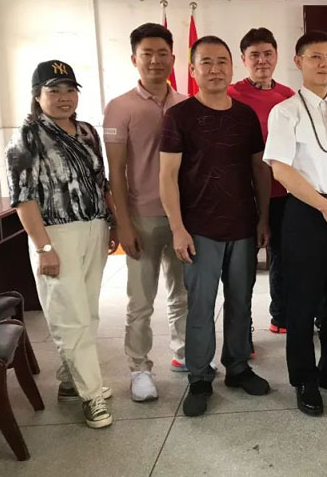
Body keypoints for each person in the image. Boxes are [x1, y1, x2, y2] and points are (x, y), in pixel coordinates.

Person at [160, 35, 271, 417]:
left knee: (241, 302)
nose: (215, 69)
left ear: (232, 66)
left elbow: (259, 169)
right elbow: (167, 176)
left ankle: (237, 367)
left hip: (242, 226)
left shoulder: (245, 116)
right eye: (205, 62)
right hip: (199, 229)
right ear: (192, 70)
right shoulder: (178, 116)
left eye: (222, 61)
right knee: (201, 306)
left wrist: (263, 218)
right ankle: (199, 377)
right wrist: (177, 228)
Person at [7, 60, 118, 428]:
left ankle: (71, 382)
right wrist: (43, 248)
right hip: (56, 234)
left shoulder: (87, 132)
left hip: (93, 226)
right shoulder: (26, 137)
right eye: (53, 91)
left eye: (70, 90)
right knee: (70, 317)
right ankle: (91, 395)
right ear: (37, 95)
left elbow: (102, 182)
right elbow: (23, 199)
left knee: (87, 311)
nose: (64, 97)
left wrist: (113, 222)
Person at [264, 30, 327, 416]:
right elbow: (281, 170)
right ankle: (304, 378)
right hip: (308, 212)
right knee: (303, 300)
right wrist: (324, 206)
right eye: (316, 57)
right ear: (299, 62)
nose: (325, 64)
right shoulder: (285, 111)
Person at [104, 23, 188, 403]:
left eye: (162, 53)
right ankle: (140, 369)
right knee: (140, 301)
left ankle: (184, 353)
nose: (155, 61)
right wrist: (123, 224)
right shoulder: (120, 107)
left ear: (173, 58)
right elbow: (116, 172)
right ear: (134, 59)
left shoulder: (186, 103)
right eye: (147, 54)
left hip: (183, 218)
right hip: (142, 217)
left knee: (183, 293)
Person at [228, 27, 294, 335]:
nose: (262, 60)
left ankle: (280, 316)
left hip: (280, 192)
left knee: (281, 255)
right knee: (241, 266)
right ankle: (243, 331)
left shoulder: (288, 96)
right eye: (254, 55)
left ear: (277, 56)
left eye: (268, 54)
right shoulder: (230, 95)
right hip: (241, 194)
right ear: (243, 59)